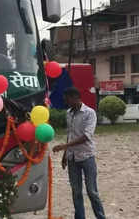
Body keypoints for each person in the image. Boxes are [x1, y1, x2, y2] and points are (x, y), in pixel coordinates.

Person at [53, 87, 106, 219]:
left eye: (67, 100)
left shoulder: (90, 113)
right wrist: (65, 155)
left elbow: (86, 136)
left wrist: (64, 146)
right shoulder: (68, 113)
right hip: (72, 158)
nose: (66, 102)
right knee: (76, 191)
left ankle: (101, 217)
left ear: (75, 98)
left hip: (87, 156)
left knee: (92, 191)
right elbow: (70, 135)